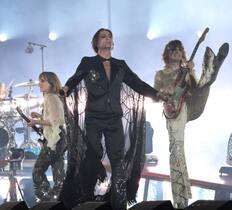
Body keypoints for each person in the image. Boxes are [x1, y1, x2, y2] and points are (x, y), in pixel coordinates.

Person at [61, 28, 166, 210]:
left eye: (110, 36)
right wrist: (66, 88)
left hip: (114, 119)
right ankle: (85, 200)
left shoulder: (120, 64)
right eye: (103, 36)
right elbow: (75, 78)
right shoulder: (88, 62)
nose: (107, 39)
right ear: (96, 42)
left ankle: (119, 204)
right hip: (94, 117)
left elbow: (137, 83)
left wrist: (157, 94)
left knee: (118, 161)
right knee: (92, 157)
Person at [154, 40, 229, 208]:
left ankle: (211, 65)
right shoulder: (160, 74)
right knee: (176, 150)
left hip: (189, 106)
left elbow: (195, 88)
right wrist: (166, 93)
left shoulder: (185, 70)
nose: (176, 52)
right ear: (167, 53)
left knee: (204, 85)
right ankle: (180, 197)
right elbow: (155, 94)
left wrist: (190, 72)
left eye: (179, 50)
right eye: (173, 49)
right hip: (172, 113)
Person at [27, 72, 66, 202]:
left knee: (37, 171)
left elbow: (54, 121)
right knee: (58, 174)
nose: (40, 84)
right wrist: (39, 116)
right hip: (60, 138)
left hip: (55, 139)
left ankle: (47, 200)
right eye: (40, 81)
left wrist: (35, 122)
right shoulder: (55, 97)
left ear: (51, 83)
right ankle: (57, 200)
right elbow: (56, 118)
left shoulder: (50, 98)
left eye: (43, 81)